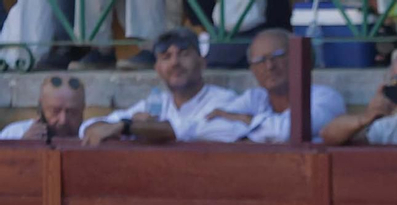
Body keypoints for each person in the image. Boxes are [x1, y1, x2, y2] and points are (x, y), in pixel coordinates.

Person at [79, 28, 243, 146]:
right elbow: (88, 127)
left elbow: (202, 130)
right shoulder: (156, 104)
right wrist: (128, 124)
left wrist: (129, 127)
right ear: (157, 69)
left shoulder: (224, 100)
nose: (175, 63)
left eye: (184, 54)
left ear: (202, 63)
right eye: (166, 57)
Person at [207, 29, 346, 144]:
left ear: (298, 57)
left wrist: (247, 121)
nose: (270, 66)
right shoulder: (254, 97)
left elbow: (286, 131)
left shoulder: (327, 98)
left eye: (278, 56)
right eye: (260, 61)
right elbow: (208, 126)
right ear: (252, 69)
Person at [0, 74, 86, 140]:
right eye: (55, 111)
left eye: (72, 113)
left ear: (82, 109)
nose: (63, 120)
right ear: (41, 108)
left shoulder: (90, 134)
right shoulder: (14, 134)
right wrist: (22, 146)